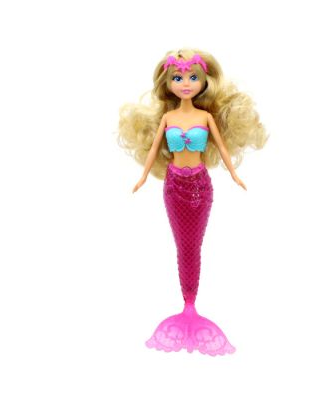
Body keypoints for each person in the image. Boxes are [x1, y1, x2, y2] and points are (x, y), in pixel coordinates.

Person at [117, 48, 268, 356]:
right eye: (177, 77)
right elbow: (153, 149)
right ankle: (186, 303)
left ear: (204, 81)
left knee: (194, 244)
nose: (185, 83)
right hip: (174, 186)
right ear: (167, 82)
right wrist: (143, 176)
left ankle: (191, 303)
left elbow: (222, 149)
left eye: (192, 77)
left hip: (200, 187)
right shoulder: (168, 118)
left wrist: (234, 174)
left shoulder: (205, 117)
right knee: (181, 245)